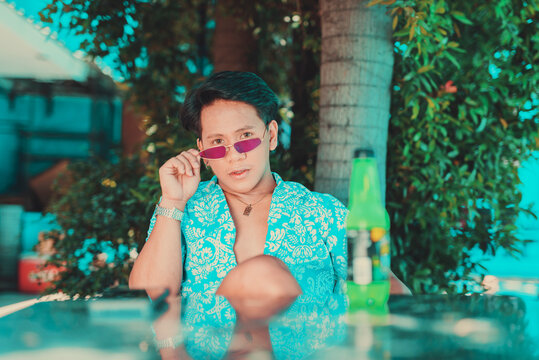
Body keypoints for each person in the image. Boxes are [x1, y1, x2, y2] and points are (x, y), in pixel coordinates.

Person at [128, 71, 409, 302]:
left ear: (271, 135)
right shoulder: (182, 209)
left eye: (246, 136)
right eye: (217, 143)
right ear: (201, 151)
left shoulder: (324, 213)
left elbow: (388, 290)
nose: (234, 155)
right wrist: (173, 202)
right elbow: (149, 294)